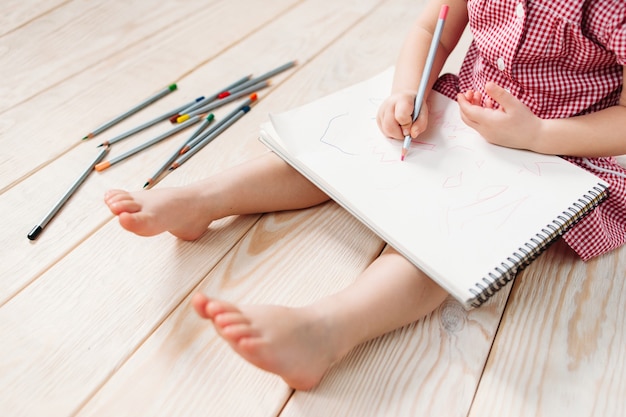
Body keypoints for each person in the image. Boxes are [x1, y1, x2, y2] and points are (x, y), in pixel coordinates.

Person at [104, 0, 626, 390]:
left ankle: (325, 331)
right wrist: (409, 88)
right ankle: (202, 200)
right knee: (332, 156)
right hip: (455, 112)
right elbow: (432, 27)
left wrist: (538, 136)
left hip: (556, 152)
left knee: (442, 244)